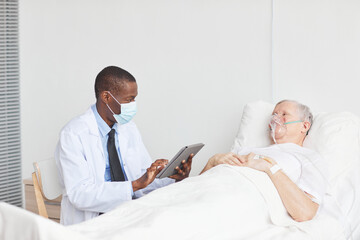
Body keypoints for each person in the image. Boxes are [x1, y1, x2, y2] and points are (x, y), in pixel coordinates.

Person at [55, 66, 192, 225]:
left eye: (134, 98)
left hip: (129, 211)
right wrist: (134, 185)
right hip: (97, 219)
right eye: (129, 99)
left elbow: (142, 176)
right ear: (106, 97)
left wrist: (173, 177)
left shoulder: (128, 128)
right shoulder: (73, 134)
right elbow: (80, 194)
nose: (133, 104)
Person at [201, 100, 328, 222]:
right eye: (274, 115)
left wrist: (271, 168)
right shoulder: (244, 150)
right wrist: (212, 162)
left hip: (234, 201)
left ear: (304, 126)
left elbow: (305, 212)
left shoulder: (308, 158)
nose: (276, 118)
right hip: (206, 193)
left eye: (284, 114)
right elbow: (199, 185)